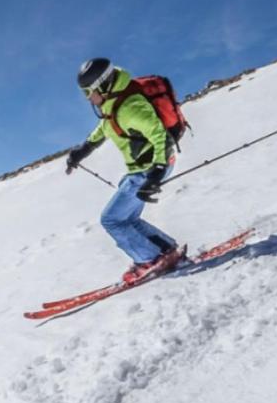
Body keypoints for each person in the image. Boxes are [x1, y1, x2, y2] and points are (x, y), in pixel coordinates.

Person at [65, 58, 186, 285]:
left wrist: (156, 174)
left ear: (103, 85)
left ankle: (148, 260)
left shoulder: (130, 107)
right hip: (141, 169)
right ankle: (166, 250)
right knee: (127, 217)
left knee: (111, 220)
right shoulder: (113, 107)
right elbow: (102, 131)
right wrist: (80, 152)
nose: (88, 98)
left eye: (88, 91)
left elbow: (160, 136)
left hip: (149, 168)